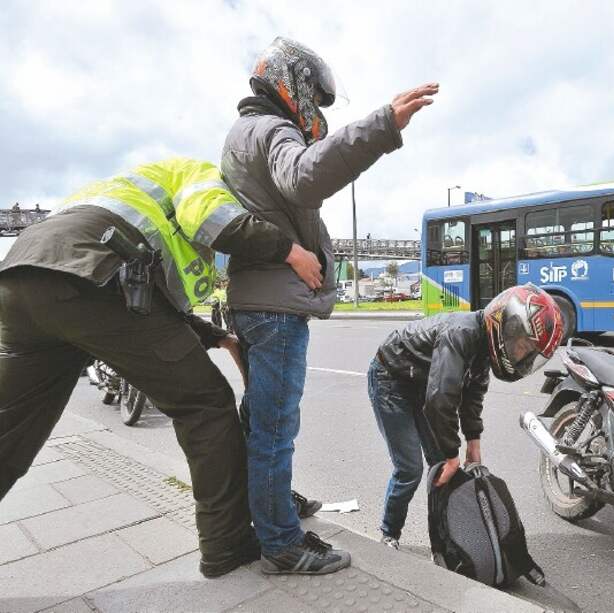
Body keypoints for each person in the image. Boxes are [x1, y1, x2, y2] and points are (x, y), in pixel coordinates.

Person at [0, 158, 324, 578]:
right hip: (100, 278)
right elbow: (211, 217)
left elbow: (160, 310)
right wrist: (290, 250)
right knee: (205, 406)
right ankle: (227, 546)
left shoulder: (123, 189)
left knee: (9, 432)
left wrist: (219, 337)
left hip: (22, 279)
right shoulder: (202, 173)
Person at [220, 36, 438, 575]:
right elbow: (306, 175)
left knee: (259, 423)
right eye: (312, 100)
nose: (314, 114)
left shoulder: (246, 132)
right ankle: (280, 544)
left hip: (261, 301)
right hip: (275, 307)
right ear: (291, 84)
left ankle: (266, 511)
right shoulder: (272, 129)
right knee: (274, 430)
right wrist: (382, 125)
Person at [368, 284, 564, 549]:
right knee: (410, 469)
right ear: (507, 326)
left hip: (423, 382)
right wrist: (452, 454)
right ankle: (389, 534)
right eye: (522, 345)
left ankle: (445, 542)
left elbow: (471, 398)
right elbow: (441, 399)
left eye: (528, 351)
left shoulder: (483, 348)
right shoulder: (461, 334)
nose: (521, 354)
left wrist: (473, 444)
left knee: (442, 466)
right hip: (391, 378)